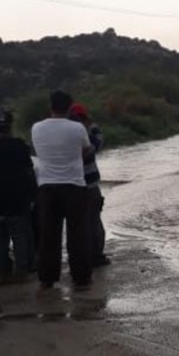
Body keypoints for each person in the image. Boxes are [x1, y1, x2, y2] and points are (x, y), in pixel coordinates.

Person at [30, 90, 94, 289]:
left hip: (47, 186)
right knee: (77, 235)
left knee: (49, 235)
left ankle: (47, 278)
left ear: (50, 106)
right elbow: (85, 150)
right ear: (69, 108)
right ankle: (81, 277)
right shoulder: (77, 128)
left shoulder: (36, 128)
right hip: (74, 186)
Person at [68, 102, 109, 267]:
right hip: (90, 185)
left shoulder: (66, 134)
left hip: (71, 185)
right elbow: (98, 142)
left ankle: (79, 258)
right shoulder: (89, 134)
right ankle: (96, 256)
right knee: (94, 221)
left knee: (76, 223)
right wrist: (90, 125)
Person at [0, 108, 37, 280]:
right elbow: (29, 172)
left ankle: (2, 272)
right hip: (17, 200)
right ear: (10, 126)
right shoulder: (20, 147)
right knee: (20, 236)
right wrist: (34, 195)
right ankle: (22, 271)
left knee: (0, 238)